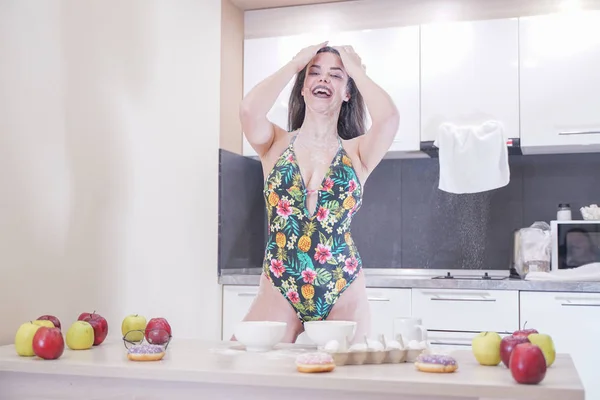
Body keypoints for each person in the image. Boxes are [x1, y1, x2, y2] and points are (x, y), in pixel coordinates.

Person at [237, 41, 400, 343]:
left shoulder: (358, 152)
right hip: (280, 282)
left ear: (348, 92)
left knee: (345, 384)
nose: (324, 79)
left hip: (342, 284)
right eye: (315, 73)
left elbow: (389, 118)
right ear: (303, 88)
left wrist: (356, 71)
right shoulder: (274, 144)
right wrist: (294, 65)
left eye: (336, 76)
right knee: (251, 369)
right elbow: (248, 110)